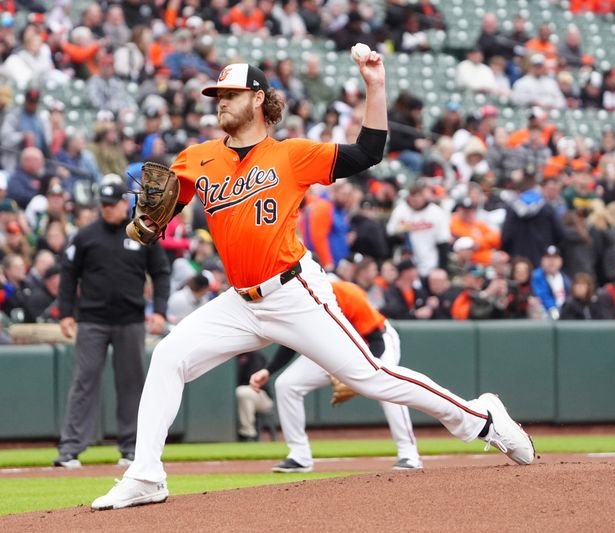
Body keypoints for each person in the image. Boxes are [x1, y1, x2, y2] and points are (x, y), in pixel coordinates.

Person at [90, 59, 534, 511]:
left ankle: (482, 417)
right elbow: (157, 214)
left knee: (373, 377)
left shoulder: (292, 155)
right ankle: (145, 475)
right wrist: (144, 222)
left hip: (293, 292)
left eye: (230, 94)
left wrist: (375, 86)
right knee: (168, 356)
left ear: (258, 99)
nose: (220, 102)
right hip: (239, 302)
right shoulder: (197, 159)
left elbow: (369, 152)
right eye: (217, 96)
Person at [54, 181, 170, 469]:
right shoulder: (85, 236)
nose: (107, 210)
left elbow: (161, 272)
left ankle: (131, 448)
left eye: (111, 204)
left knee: (131, 385)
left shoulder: (142, 233)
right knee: (84, 382)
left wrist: (160, 310)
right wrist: (66, 313)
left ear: (124, 203)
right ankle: (70, 448)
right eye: (103, 205)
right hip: (93, 320)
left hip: (130, 320)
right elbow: (68, 275)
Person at [253, 280, 422, 472]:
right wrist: (269, 369)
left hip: (375, 342)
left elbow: (376, 341)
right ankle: (299, 456)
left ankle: (409, 454)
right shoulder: (297, 302)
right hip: (333, 347)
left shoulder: (348, 293)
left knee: (387, 388)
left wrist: (354, 375)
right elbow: (292, 342)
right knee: (287, 384)